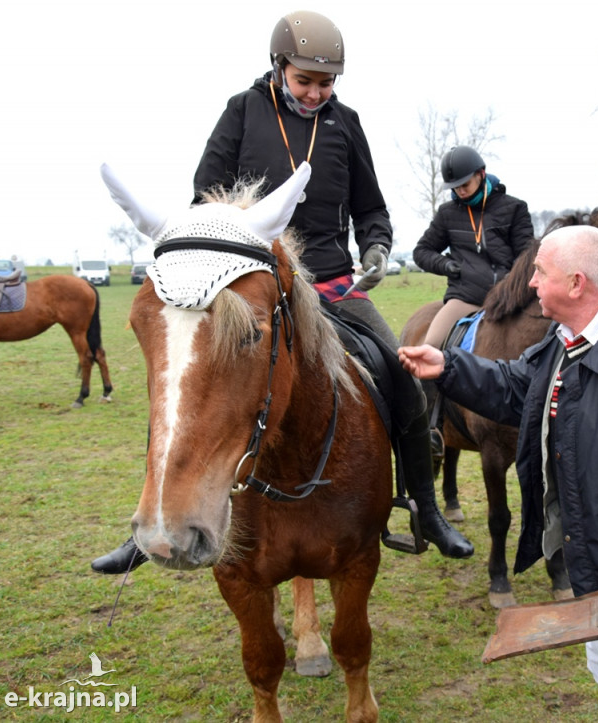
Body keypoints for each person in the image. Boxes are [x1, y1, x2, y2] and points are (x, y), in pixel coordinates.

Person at [91, 10, 472, 574]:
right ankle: (151, 517)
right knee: (185, 383)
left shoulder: (346, 125)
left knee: (400, 379)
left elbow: (370, 206)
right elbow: (205, 195)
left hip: (332, 283)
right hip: (246, 282)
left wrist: (375, 245)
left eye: (327, 83)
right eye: (305, 81)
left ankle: (424, 507)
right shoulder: (242, 111)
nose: (317, 93)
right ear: (279, 67)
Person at [399, 224, 598, 681]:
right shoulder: (565, 341)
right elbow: (520, 386)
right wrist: (448, 365)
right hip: (595, 573)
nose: (531, 282)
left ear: (577, 284)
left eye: (540, 272)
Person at [413, 145, 534, 347]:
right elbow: (421, 251)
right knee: (431, 346)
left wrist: (513, 285)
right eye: (455, 187)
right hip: (465, 298)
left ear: (481, 174)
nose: (460, 191)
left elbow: (527, 257)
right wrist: (446, 266)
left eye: (465, 184)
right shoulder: (446, 213)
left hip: (509, 299)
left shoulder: (515, 208)